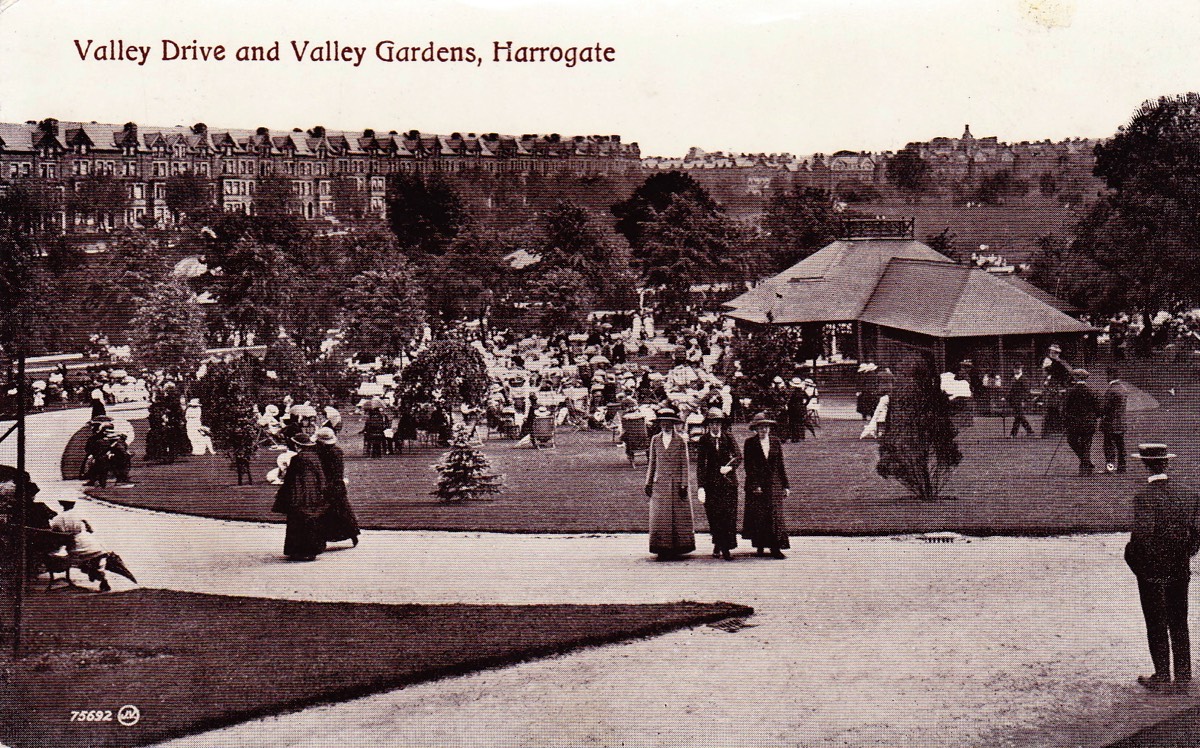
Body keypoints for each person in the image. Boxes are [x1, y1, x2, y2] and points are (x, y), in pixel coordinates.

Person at [1124, 444, 1200, 693]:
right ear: (1166, 463)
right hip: (1179, 567)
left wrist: (1135, 562)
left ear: (1145, 464)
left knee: (1156, 622)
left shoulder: (1144, 497)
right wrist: (1186, 553)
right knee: (1179, 620)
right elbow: (1197, 533)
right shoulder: (1189, 493)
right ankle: (1183, 675)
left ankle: (1162, 675)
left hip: (1153, 570)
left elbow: (1143, 538)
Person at [644, 406, 696, 560]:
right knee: (660, 517)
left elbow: (684, 464)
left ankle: (679, 547)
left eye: (668, 423)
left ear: (673, 424)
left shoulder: (680, 440)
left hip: (676, 483)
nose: (665, 425)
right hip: (659, 483)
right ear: (659, 424)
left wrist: (683, 484)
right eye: (663, 423)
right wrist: (648, 482)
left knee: (678, 516)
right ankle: (662, 547)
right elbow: (652, 462)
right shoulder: (655, 440)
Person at [271, 433, 329, 561]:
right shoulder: (315, 457)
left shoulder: (298, 459)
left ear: (298, 445)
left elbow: (290, 479)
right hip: (313, 493)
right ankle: (313, 549)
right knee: (312, 519)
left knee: (297, 521)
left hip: (300, 493)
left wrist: (282, 493)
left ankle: (299, 550)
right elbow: (321, 477)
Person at [742, 412, 790, 558]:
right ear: (755, 429)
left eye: (766, 427)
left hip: (774, 483)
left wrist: (786, 485)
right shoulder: (750, 443)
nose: (764, 430)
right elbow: (749, 466)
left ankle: (776, 547)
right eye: (761, 427)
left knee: (775, 515)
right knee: (759, 515)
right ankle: (760, 545)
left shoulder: (775, 441)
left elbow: (780, 465)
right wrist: (755, 485)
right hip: (758, 484)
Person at [696, 408, 741, 560]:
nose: (715, 426)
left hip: (728, 483)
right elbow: (701, 465)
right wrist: (701, 486)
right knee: (714, 516)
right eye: (712, 423)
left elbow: (738, 456)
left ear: (722, 424)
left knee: (728, 515)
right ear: (708, 425)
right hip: (712, 484)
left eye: (718, 423)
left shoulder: (728, 437)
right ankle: (718, 543)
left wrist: (729, 467)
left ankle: (726, 547)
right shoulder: (704, 440)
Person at [49, 499, 113, 591]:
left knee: (81, 558)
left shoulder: (58, 519)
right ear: (74, 504)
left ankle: (93, 571)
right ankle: (98, 573)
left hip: (75, 546)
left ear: (60, 504)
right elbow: (91, 530)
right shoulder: (80, 515)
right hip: (91, 544)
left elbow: (59, 536)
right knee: (98, 555)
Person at [314, 427, 359, 548]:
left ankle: (322, 538)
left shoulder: (320, 453)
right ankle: (352, 534)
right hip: (338, 484)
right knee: (343, 510)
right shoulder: (337, 451)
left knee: (323, 512)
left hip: (327, 484)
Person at [1062, 368, 1100, 475]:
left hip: (1074, 423)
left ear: (1076, 377)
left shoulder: (1070, 391)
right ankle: (1086, 464)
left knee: (1072, 441)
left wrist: (1066, 421)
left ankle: (1085, 466)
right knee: (1086, 445)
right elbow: (1098, 409)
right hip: (1089, 423)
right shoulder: (1091, 391)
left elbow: (1065, 408)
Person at [1101, 366, 1129, 474]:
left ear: (1110, 375)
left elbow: (1105, 408)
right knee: (1120, 446)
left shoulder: (1111, 390)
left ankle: (1110, 468)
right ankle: (1122, 467)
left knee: (1109, 447)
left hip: (1110, 422)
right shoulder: (1123, 388)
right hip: (1121, 422)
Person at [1007, 365, 1034, 438]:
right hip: (1013, 401)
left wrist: (1023, 400)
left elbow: (1026, 391)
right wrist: (1007, 398)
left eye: (1018, 368)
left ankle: (1013, 433)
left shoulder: (1024, 379)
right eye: (1015, 368)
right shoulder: (1013, 379)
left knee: (1018, 416)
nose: (1016, 370)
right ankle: (1030, 431)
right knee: (1019, 416)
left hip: (1020, 400)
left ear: (1021, 369)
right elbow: (1011, 390)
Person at [786, 377, 811, 443]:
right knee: (800, 423)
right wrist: (804, 404)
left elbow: (789, 401)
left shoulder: (792, 392)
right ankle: (801, 436)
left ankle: (794, 438)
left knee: (793, 423)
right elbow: (808, 398)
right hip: (800, 408)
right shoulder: (802, 392)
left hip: (793, 409)